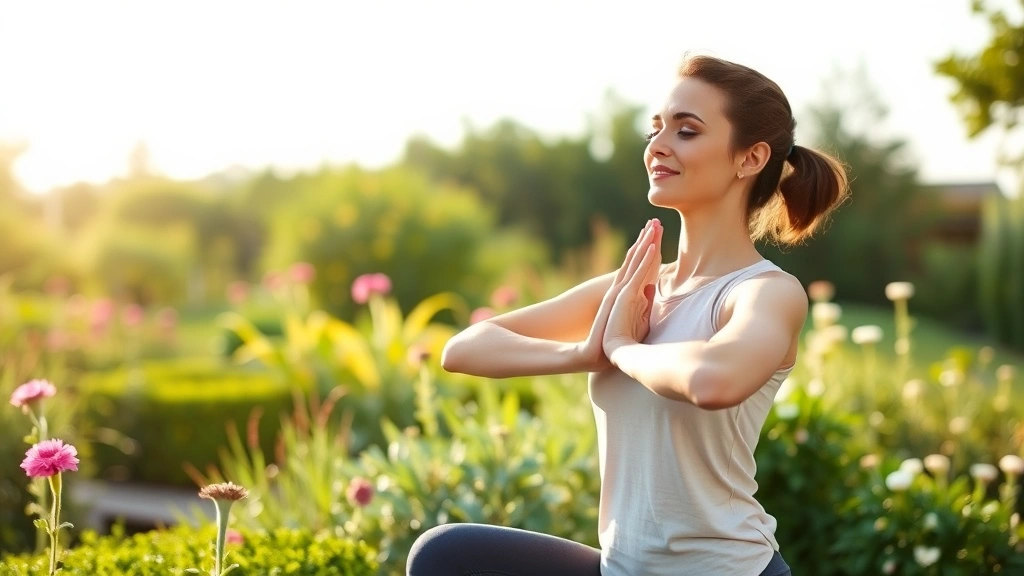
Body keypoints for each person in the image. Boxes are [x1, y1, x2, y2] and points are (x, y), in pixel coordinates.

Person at [406, 54, 849, 576]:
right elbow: (464, 348)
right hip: (623, 568)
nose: (658, 145)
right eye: (656, 128)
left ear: (749, 158)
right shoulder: (636, 288)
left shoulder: (764, 294)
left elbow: (713, 378)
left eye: (686, 131)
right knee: (446, 556)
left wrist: (622, 349)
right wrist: (584, 352)